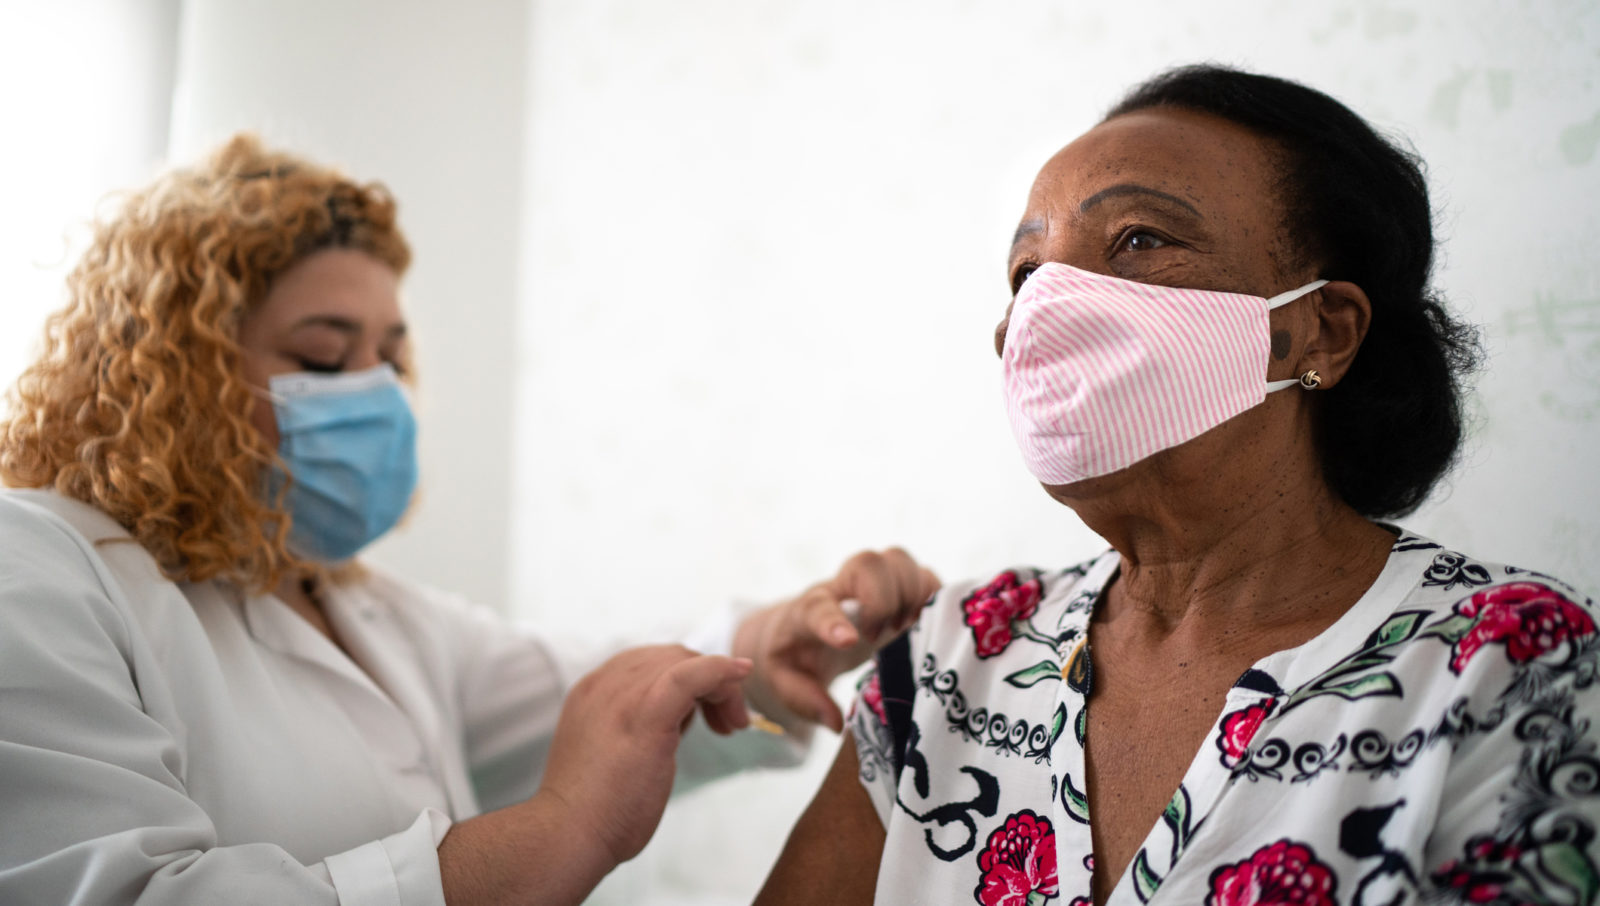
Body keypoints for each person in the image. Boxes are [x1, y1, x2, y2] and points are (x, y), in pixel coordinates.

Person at [0, 134, 939, 906]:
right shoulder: (43, 566)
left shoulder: (378, 617)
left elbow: (603, 691)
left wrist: (770, 648)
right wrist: (556, 832)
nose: (372, 395)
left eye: (390, 361)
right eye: (327, 361)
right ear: (173, 376)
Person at [756, 65, 1600, 906]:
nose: (1044, 307)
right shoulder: (947, 660)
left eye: (1138, 239)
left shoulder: (1506, 663)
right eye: (1026, 273)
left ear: (1318, 333)